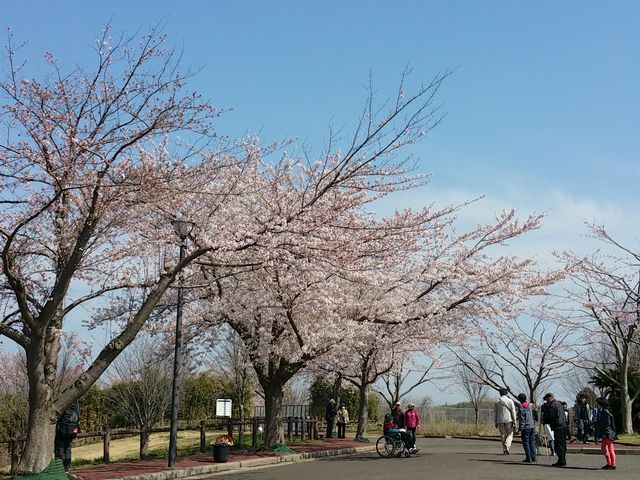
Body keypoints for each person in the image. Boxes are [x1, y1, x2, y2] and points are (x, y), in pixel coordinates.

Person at [542, 393, 567, 467]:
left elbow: (551, 416)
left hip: (558, 426)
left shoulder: (553, 405)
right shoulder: (559, 404)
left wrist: (545, 420)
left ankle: (561, 460)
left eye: (547, 400)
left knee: (559, 444)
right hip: (562, 425)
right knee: (562, 444)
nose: (547, 402)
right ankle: (562, 459)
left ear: (550, 398)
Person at [55, 402, 80, 472]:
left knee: (59, 449)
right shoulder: (76, 404)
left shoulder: (64, 402)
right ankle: (66, 468)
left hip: (62, 429)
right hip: (73, 428)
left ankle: (58, 468)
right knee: (68, 448)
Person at [595, 397, 617, 470]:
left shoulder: (605, 411)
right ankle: (609, 463)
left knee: (609, 448)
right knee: (604, 448)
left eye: (598, 403)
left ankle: (612, 464)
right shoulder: (605, 410)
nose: (597, 405)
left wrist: (605, 432)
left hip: (608, 432)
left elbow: (607, 423)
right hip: (607, 432)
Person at [494, 388, 518, 455]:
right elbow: (513, 412)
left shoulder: (497, 401)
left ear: (500, 393)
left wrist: (495, 421)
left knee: (502, 434)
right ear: (507, 393)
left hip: (500, 420)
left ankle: (504, 448)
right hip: (509, 420)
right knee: (510, 434)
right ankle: (507, 446)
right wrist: (515, 422)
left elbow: (495, 412)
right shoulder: (510, 401)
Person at [516, 393, 537, 463]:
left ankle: (528, 457)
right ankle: (533, 456)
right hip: (532, 426)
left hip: (525, 427)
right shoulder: (530, 406)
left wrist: (520, 429)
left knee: (526, 443)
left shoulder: (521, 408)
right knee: (532, 442)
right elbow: (531, 404)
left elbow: (522, 419)